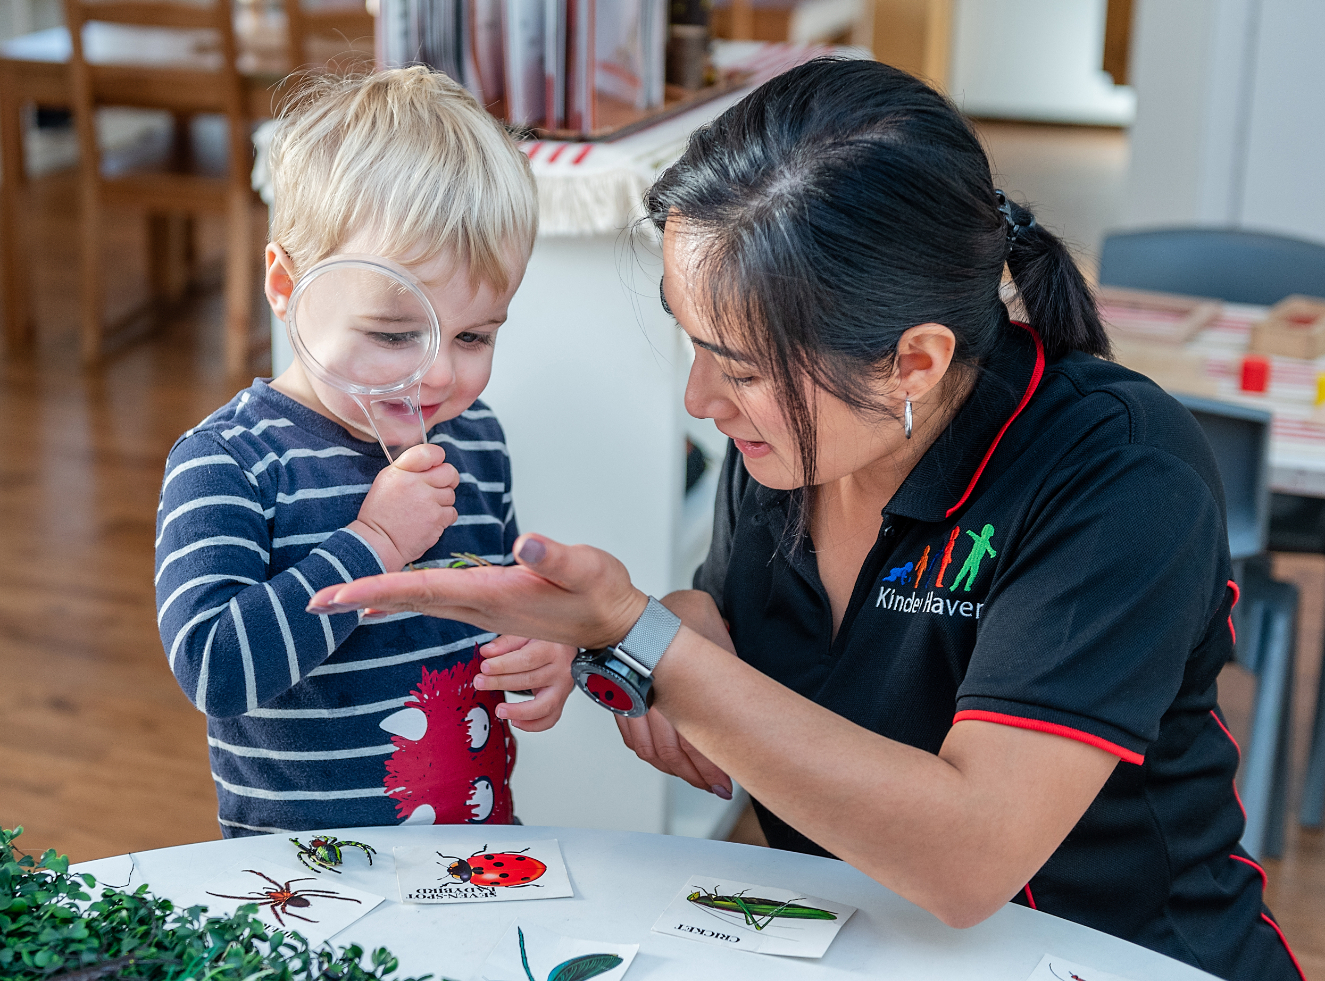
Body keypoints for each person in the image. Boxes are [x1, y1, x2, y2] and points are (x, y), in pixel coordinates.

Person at [306, 59, 1305, 980]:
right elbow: (737, 651)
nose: (699, 400)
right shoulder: (796, 446)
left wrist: (647, 644)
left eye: (737, 366)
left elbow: (967, 859)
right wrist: (674, 637)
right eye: (690, 342)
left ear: (911, 363)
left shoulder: (1117, 474)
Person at [154, 67, 575, 836]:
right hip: (309, 893)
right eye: (393, 334)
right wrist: (374, 544)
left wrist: (544, 648)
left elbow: (507, 599)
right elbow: (216, 670)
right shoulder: (231, 463)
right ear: (285, 286)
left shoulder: (475, 441)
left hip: (477, 860)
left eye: (475, 335)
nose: (442, 373)